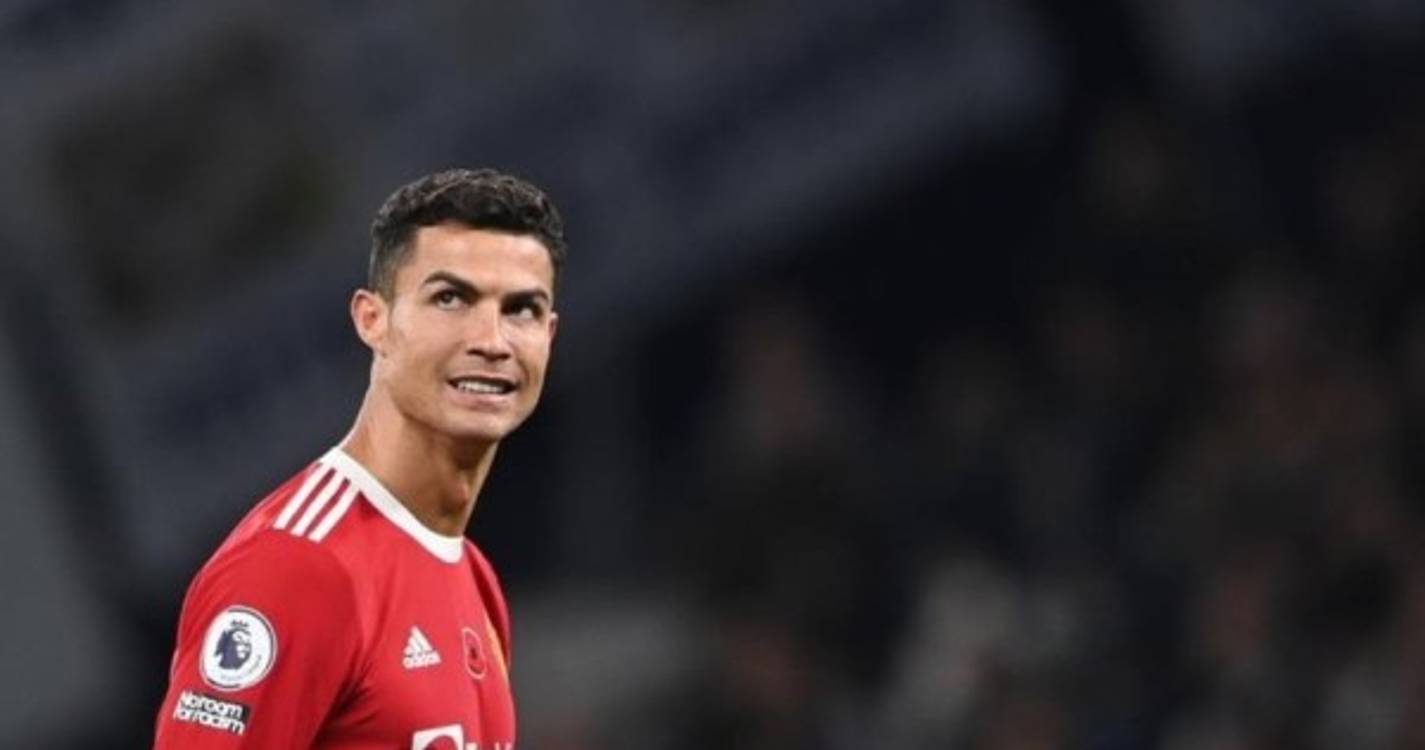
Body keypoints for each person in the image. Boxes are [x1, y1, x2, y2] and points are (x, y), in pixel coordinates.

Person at [151, 168, 564, 749]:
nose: (491, 341)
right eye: (450, 299)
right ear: (374, 320)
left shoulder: (474, 577)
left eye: (521, 310)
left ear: (549, 335)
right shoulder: (300, 568)